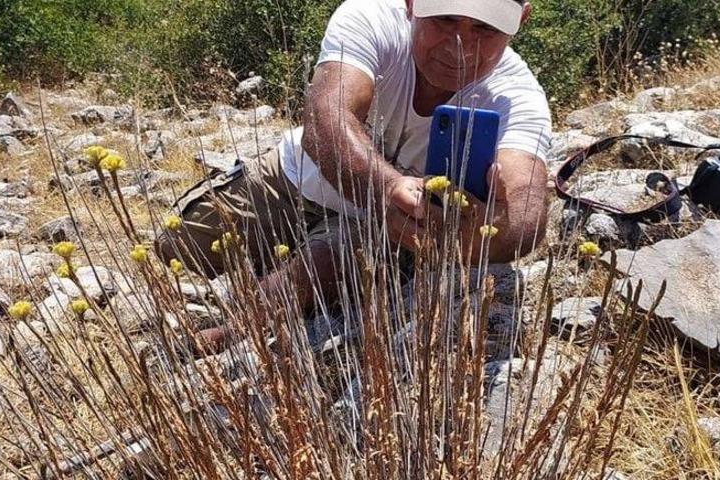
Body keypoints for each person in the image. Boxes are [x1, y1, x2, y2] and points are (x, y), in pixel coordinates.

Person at [156, 0, 552, 352]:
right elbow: (326, 120)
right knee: (174, 247)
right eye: (445, 19)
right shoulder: (370, 17)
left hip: (378, 226)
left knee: (327, 261)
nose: (460, 43)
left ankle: (235, 327)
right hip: (295, 178)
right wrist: (387, 189)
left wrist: (469, 234)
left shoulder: (516, 97)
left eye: (486, 28)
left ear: (521, 20)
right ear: (412, 4)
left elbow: (526, 211)